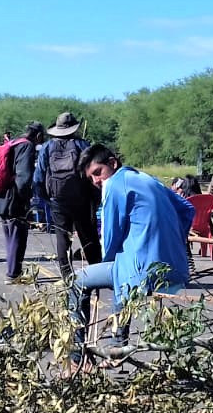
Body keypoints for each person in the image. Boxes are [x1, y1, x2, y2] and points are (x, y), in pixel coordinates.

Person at [71, 144, 195, 348]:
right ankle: (117, 346)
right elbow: (187, 209)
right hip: (176, 268)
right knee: (122, 267)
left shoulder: (113, 184)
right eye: (91, 178)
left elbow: (109, 241)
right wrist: (171, 242)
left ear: (113, 163)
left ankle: (78, 353)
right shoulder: (149, 179)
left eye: (97, 172)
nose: (96, 181)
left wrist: (110, 263)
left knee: (77, 280)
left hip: (143, 272)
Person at [36, 112, 101, 279]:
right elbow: (93, 173)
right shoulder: (82, 144)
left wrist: (47, 198)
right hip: (82, 199)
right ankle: (97, 272)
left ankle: (67, 275)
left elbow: (38, 178)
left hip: (57, 199)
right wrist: (95, 199)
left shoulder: (47, 147)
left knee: (62, 237)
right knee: (88, 235)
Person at [0, 122, 44, 282]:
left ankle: (12, 270)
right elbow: (23, 177)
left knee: (10, 236)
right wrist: (26, 199)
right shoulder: (27, 146)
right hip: (15, 198)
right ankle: (13, 274)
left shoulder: (13, 143)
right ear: (38, 136)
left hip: (3, 194)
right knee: (18, 236)